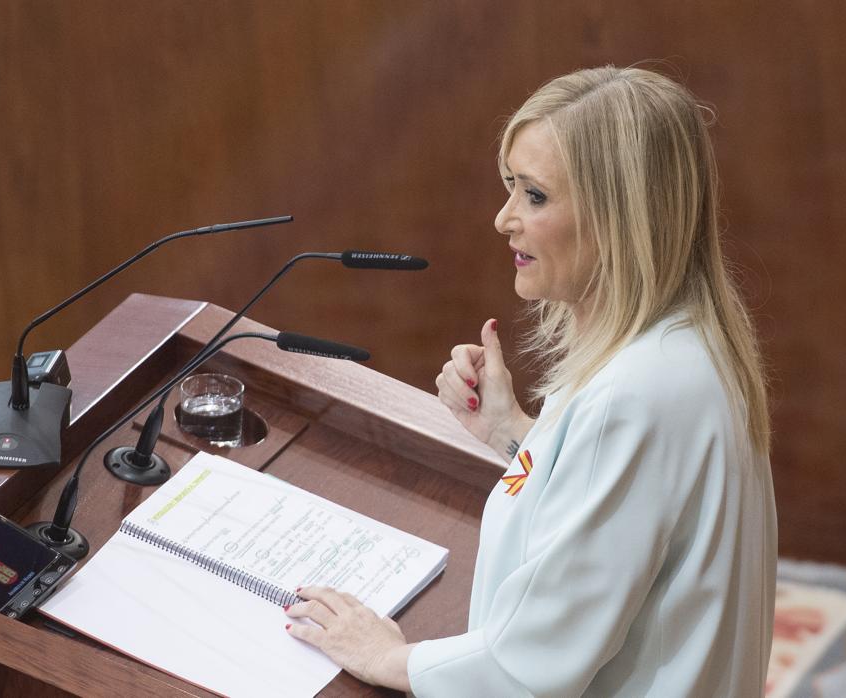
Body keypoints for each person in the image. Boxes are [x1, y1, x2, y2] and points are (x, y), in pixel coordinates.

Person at [284, 65, 778, 696]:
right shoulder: (685, 342)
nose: (503, 219)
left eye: (535, 196)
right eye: (510, 187)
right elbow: (633, 518)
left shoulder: (634, 395)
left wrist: (388, 658)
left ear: (621, 217)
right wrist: (512, 433)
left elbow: (530, 667)